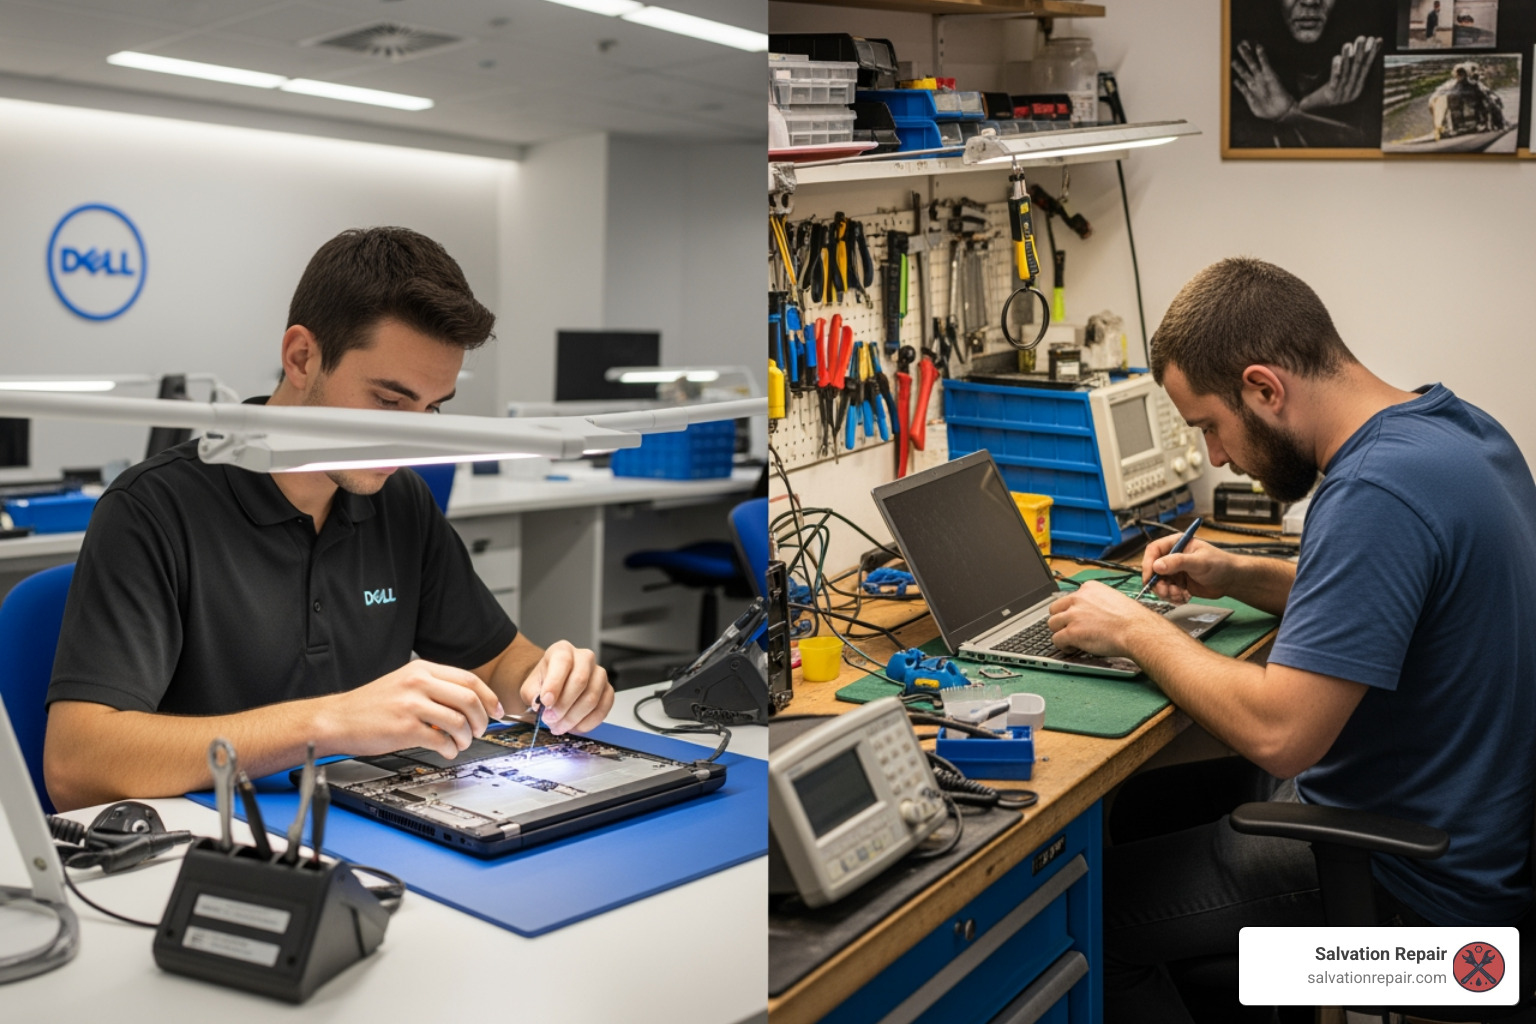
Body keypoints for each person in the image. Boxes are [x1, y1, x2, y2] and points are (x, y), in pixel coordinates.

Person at [1046, 258, 1536, 1022]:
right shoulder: (1455, 431)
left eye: (1211, 426)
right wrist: (1240, 572)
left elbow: (1282, 734)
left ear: (1264, 387)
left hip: (1426, 914)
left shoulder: (1373, 492)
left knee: (1084, 924)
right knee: (1158, 810)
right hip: (1471, 841)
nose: (1213, 456)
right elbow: (1398, 591)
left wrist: (1134, 628)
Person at [44, 227, 615, 812]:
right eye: (389, 403)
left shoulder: (401, 501)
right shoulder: (154, 509)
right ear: (301, 357)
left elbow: (497, 659)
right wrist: (332, 722)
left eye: (431, 409)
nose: (411, 440)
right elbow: (77, 765)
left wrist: (551, 682)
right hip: (218, 845)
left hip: (368, 829)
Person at [1229, 0, 1383, 148]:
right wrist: (1302, 111)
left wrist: (1294, 112)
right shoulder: (1234, 65)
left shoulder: (1368, 58)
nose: (1310, 1)